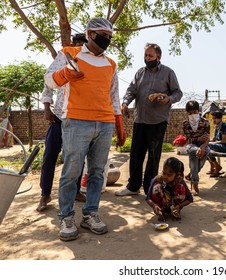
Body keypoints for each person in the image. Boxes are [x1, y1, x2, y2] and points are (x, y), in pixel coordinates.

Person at [44, 18, 126, 241]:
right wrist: (66, 74)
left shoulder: (110, 63)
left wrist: (118, 123)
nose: (106, 39)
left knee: (98, 172)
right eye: (102, 34)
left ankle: (90, 214)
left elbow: (114, 96)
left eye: (109, 36)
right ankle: (66, 216)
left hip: (105, 122)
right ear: (90, 33)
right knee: (71, 171)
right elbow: (49, 80)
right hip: (76, 121)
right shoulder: (69, 53)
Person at [115, 43, 183, 197]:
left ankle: (150, 188)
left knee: (153, 157)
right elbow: (131, 90)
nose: (147, 58)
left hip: (158, 121)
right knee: (135, 155)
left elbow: (178, 93)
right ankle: (133, 187)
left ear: (158, 57)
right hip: (140, 120)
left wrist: (168, 98)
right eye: (145, 55)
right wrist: (125, 103)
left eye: (150, 56)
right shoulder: (140, 73)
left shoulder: (168, 73)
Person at [37, 33, 88, 212]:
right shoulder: (64, 56)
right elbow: (48, 81)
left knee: (77, 158)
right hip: (59, 116)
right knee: (50, 155)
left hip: (78, 119)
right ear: (73, 45)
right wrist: (46, 108)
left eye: (84, 45)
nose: (80, 48)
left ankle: (74, 192)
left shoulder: (89, 61)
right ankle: (45, 194)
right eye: (78, 44)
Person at [146, 157, 193, 221]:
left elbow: (190, 199)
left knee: (180, 188)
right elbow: (148, 198)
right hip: (162, 204)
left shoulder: (179, 180)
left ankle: (175, 211)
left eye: (169, 175)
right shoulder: (157, 179)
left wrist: (179, 206)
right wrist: (154, 206)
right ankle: (161, 212)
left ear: (176, 174)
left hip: (175, 205)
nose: (165, 176)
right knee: (157, 188)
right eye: (164, 173)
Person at [182, 100, 210, 196]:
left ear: (198, 111)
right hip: (192, 145)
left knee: (206, 151)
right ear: (187, 113)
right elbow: (188, 139)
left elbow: (207, 138)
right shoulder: (186, 123)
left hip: (203, 144)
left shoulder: (205, 122)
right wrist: (198, 138)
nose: (193, 114)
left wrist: (202, 147)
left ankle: (191, 175)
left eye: (195, 112)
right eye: (190, 113)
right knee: (193, 152)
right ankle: (195, 183)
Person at [207, 110, 226, 177]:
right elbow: (214, 139)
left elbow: (223, 141)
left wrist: (209, 143)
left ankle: (217, 167)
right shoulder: (217, 126)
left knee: (207, 146)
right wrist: (206, 141)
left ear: (220, 118)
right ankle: (213, 165)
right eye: (213, 118)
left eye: (215, 118)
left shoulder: (225, 126)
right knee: (203, 146)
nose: (213, 120)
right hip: (220, 145)